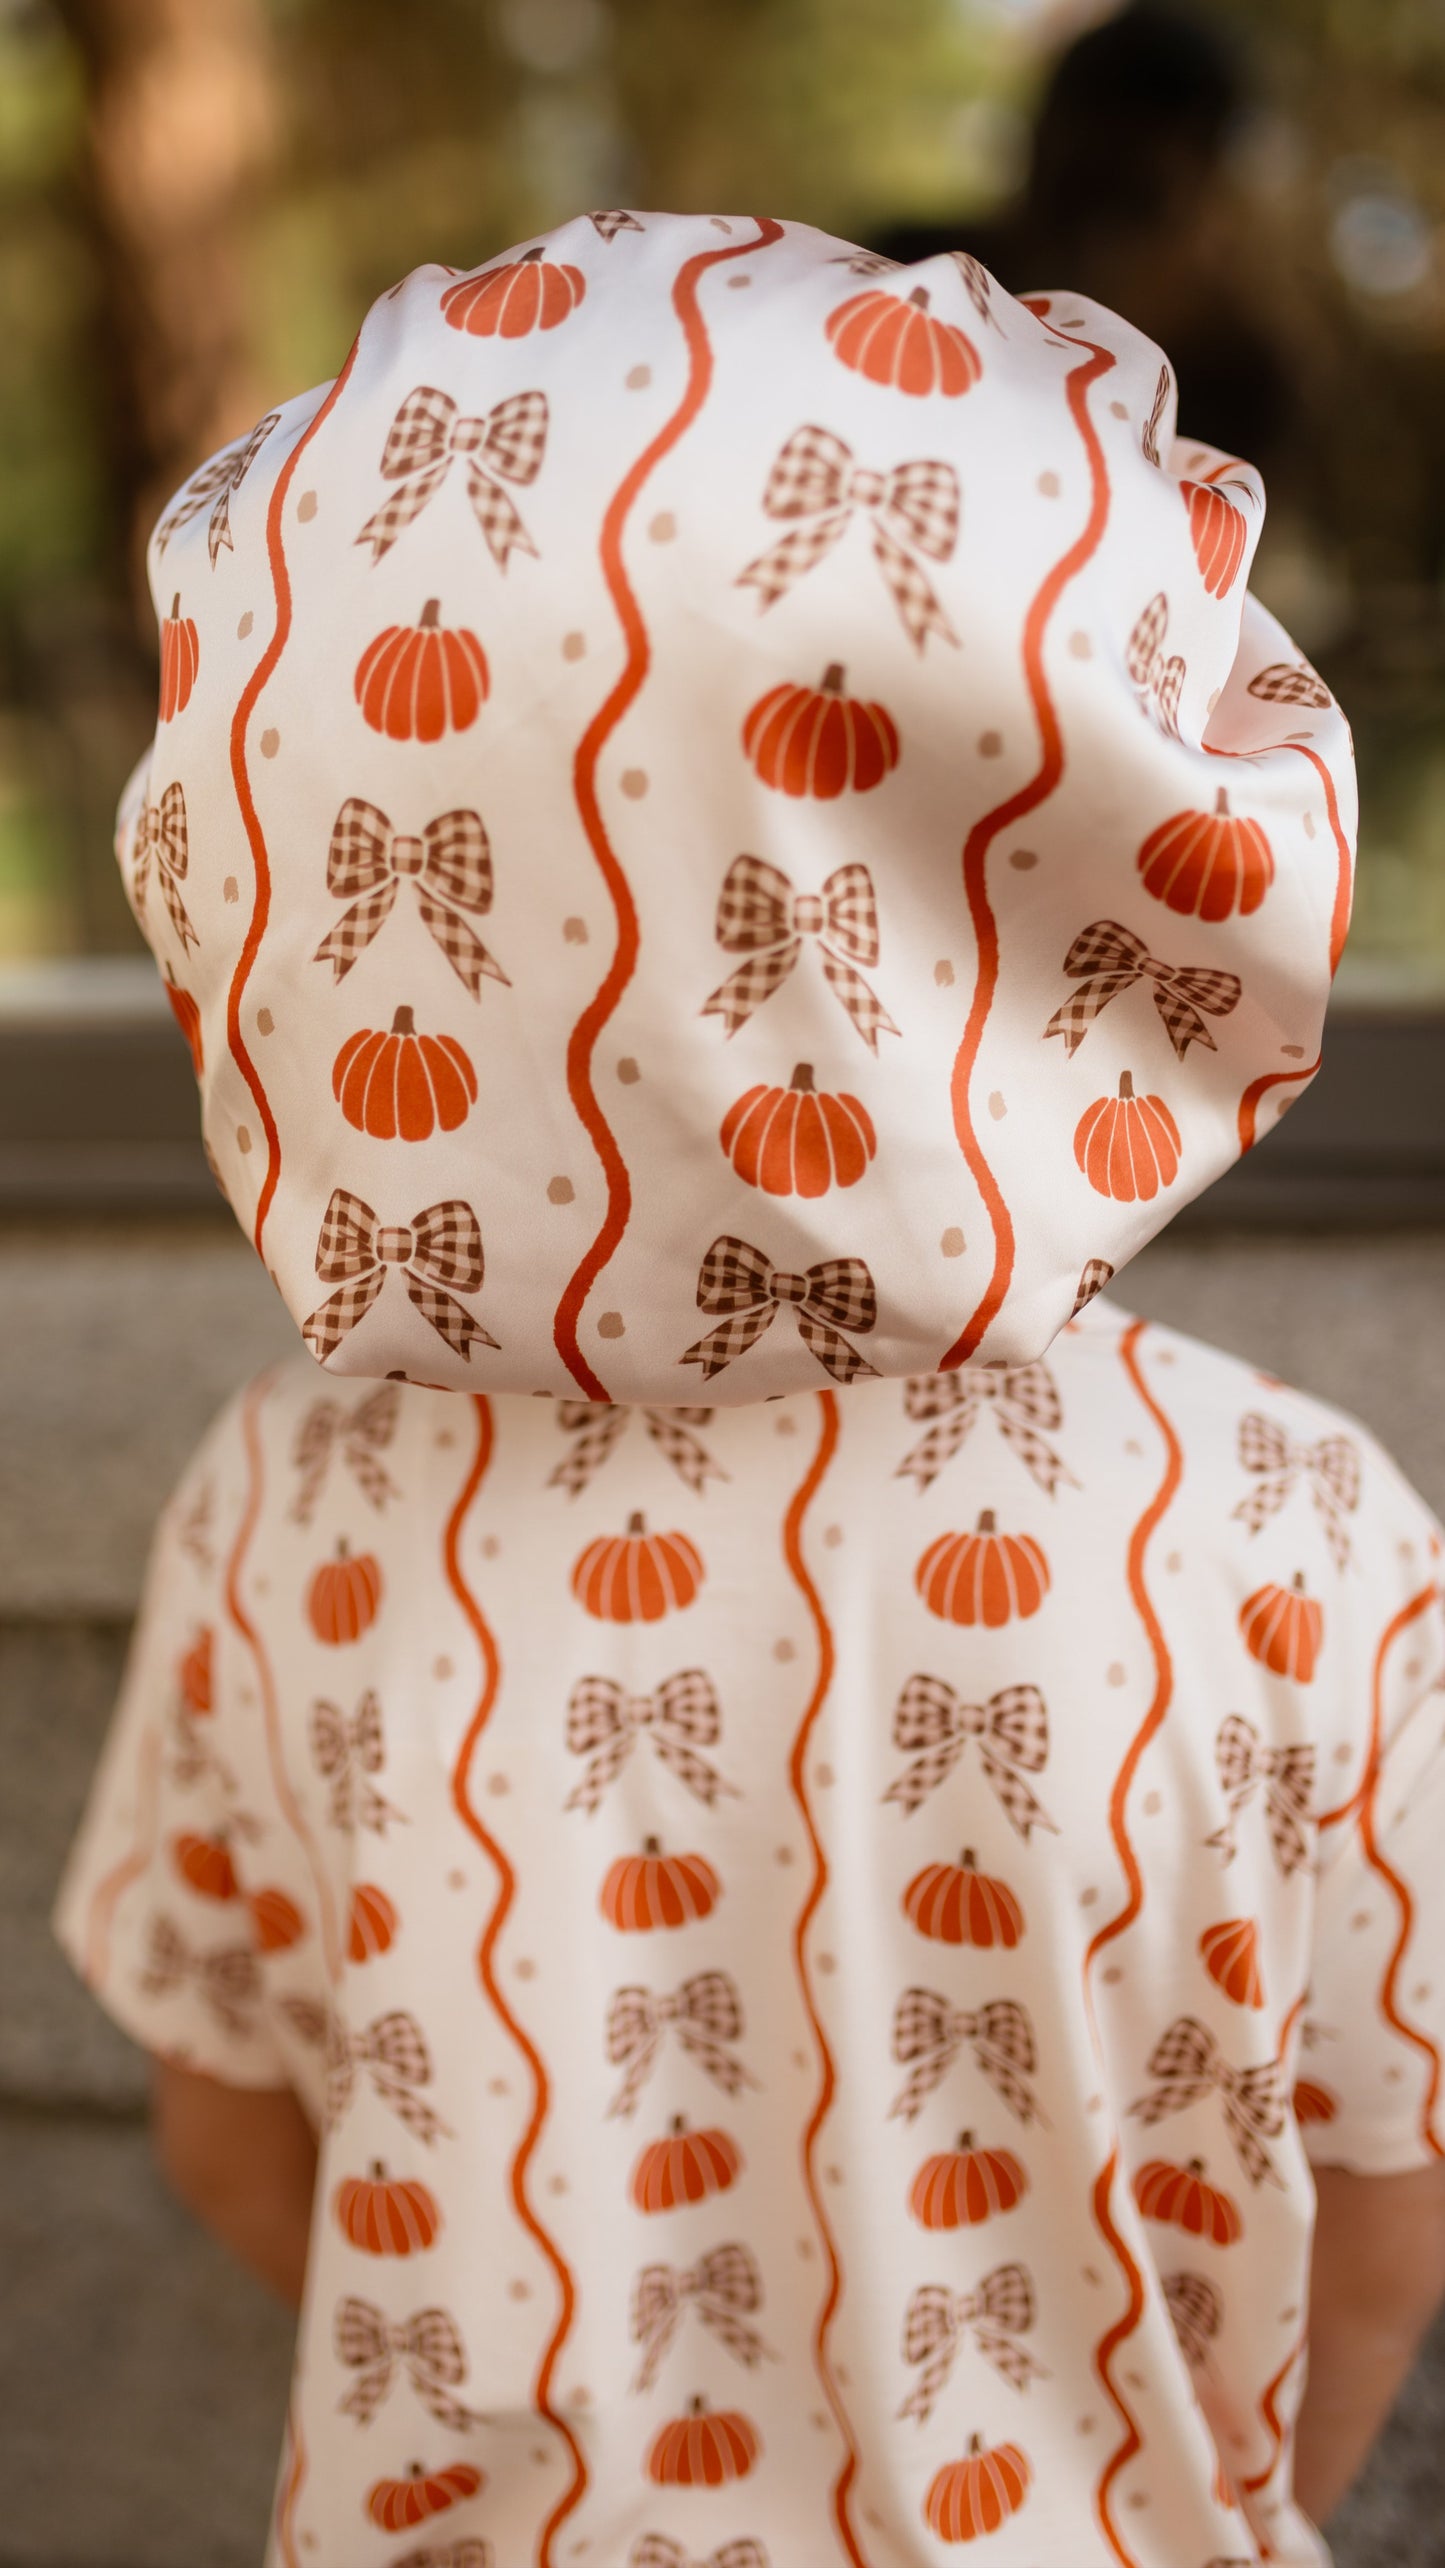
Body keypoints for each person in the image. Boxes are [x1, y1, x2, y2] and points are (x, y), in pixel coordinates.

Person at [55, 211, 1445, 2565]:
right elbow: (1381, 2228)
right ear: (1085, 865)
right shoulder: (1300, 1532)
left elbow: (228, 2141)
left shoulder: (285, 1502)